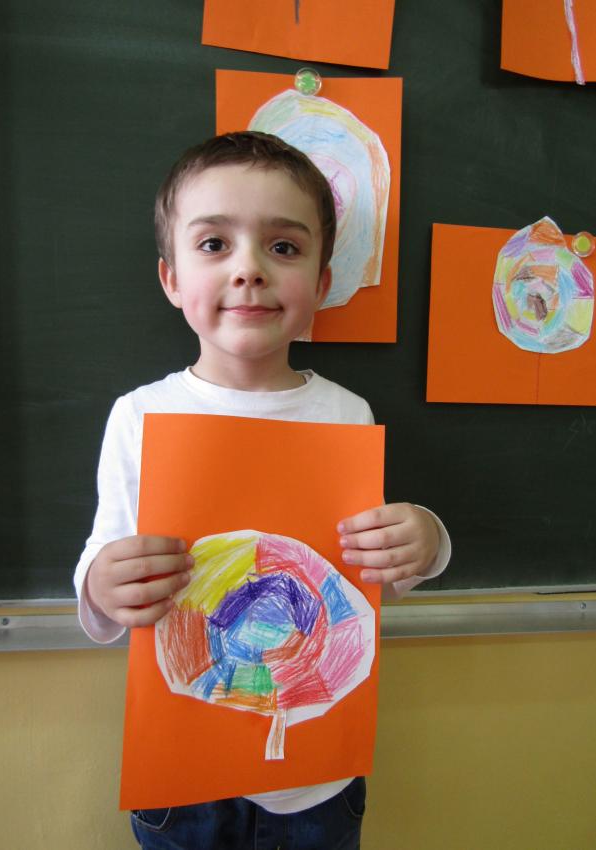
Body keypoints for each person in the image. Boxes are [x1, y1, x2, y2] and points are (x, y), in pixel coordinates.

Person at [74, 131, 450, 850]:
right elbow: (103, 564)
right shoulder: (140, 414)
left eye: (282, 247)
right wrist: (100, 584)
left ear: (321, 281)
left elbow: (361, 578)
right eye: (214, 244)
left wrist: (425, 542)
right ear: (171, 278)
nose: (249, 269)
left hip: (316, 779)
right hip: (183, 772)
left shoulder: (346, 414)